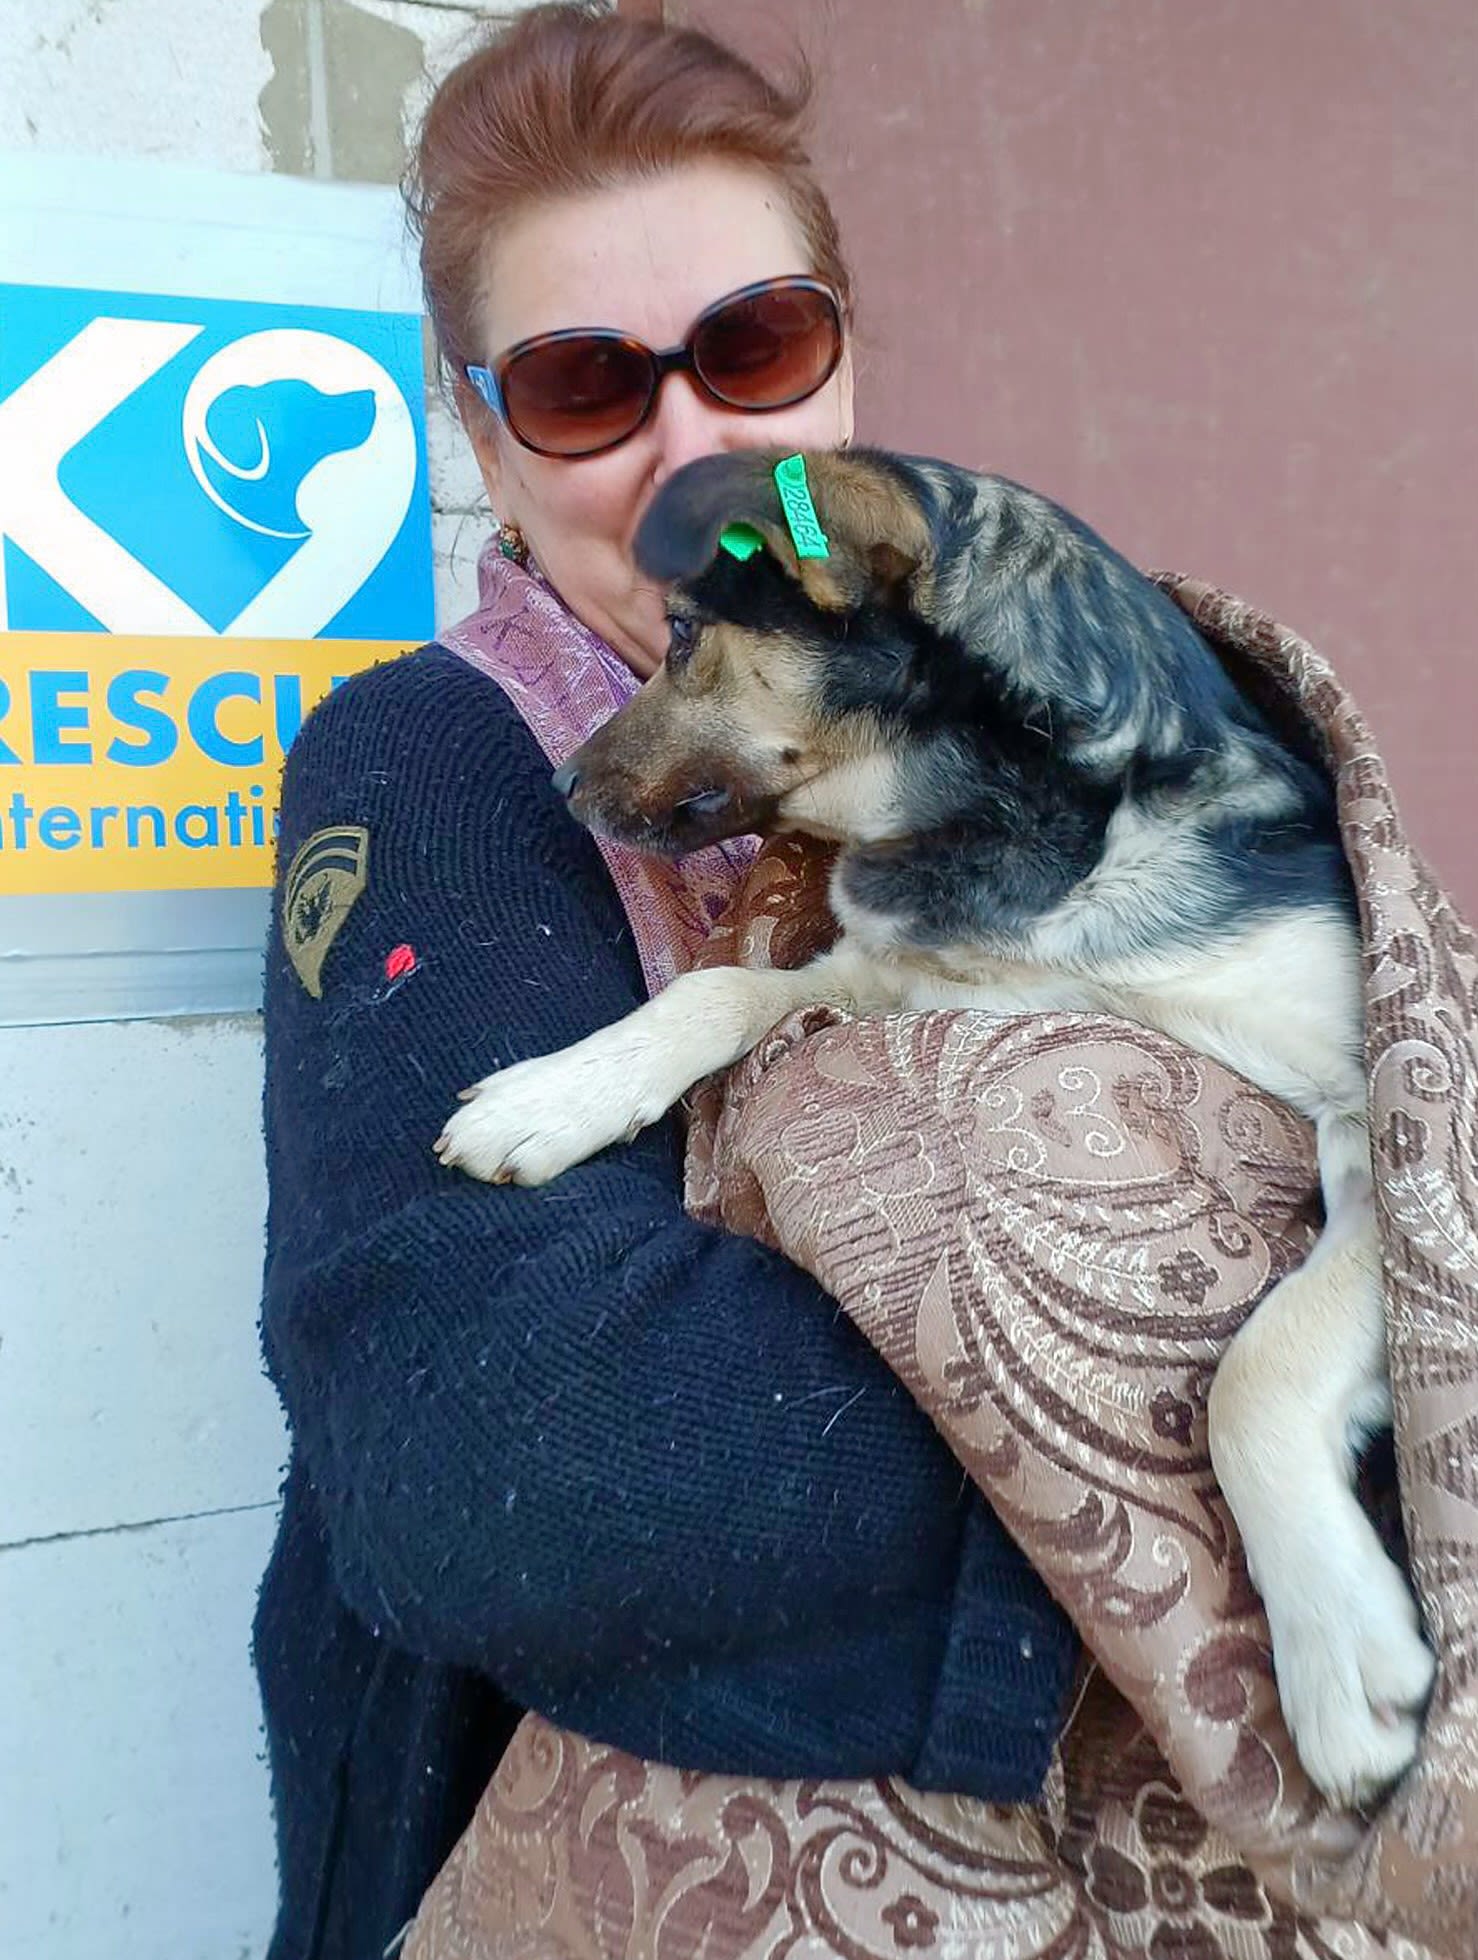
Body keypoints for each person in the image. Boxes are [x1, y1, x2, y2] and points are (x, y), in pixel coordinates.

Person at [253, 9, 1080, 1957]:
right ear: (480, 437)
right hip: (560, 1846)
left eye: (755, 346)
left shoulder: (1009, 690)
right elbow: (510, 1462)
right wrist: (1160, 1487)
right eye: (580, 385)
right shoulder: (439, 762)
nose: (698, 448)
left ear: (844, 351)